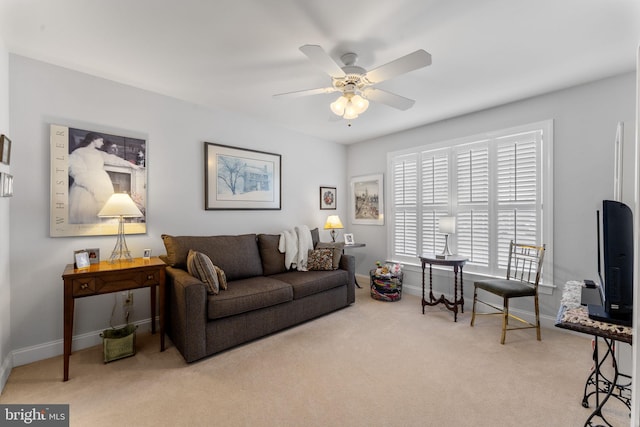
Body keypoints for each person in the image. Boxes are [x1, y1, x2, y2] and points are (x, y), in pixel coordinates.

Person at [68, 132, 140, 224]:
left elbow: (115, 159)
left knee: (105, 211)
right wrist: (92, 186)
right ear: (93, 140)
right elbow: (77, 172)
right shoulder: (78, 152)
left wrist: (131, 165)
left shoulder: (99, 153)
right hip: (87, 186)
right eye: (101, 140)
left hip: (102, 183)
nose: (102, 143)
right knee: (88, 213)